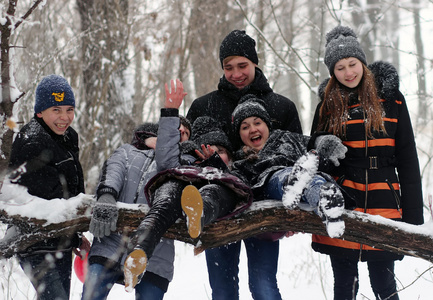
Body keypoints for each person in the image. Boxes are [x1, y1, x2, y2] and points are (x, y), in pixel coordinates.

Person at [186, 29, 303, 300]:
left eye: (243, 66)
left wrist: (294, 207)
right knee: (223, 291)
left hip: (264, 209)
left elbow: (296, 159)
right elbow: (187, 159)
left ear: (255, 63)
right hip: (218, 211)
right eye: (229, 67)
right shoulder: (203, 106)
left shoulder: (281, 107)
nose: (236, 73)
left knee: (263, 287)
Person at [310, 25, 424, 300]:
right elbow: (314, 153)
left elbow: (407, 157)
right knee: (345, 285)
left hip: (384, 202)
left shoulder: (392, 99)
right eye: (339, 68)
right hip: (343, 199)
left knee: (384, 284)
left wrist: (412, 218)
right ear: (331, 72)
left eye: (352, 64)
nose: (348, 72)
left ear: (362, 61)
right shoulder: (327, 104)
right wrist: (322, 144)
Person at [208, 95, 346, 300]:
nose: (253, 129)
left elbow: (311, 141)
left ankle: (325, 202)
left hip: (297, 177)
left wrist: (324, 141)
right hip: (266, 200)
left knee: (309, 180)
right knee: (278, 178)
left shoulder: (285, 137)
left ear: (267, 125)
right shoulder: (240, 159)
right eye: (245, 127)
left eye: (257, 123)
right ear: (239, 134)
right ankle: (296, 183)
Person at [82, 79, 191, 300]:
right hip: (110, 242)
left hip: (155, 252)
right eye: (174, 127)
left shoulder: (184, 164)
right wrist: (106, 195)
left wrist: (171, 112)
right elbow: (113, 169)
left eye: (184, 133)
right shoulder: (128, 151)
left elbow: (168, 162)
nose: (179, 132)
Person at [123, 115, 253, 290]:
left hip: (218, 189)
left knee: (212, 193)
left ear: (230, 155)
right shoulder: (187, 162)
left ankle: (197, 214)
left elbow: (244, 185)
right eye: (206, 149)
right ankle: (139, 250)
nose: (212, 153)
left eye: (219, 151)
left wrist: (216, 164)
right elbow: (164, 157)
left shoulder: (235, 170)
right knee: (164, 201)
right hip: (182, 183)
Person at [7, 74, 90, 300]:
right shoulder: (32, 142)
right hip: (34, 242)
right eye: (56, 110)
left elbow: (71, 189)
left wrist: (75, 236)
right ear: (40, 112)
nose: (64, 117)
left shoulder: (67, 137)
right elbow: (51, 202)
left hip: (59, 239)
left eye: (69, 109)